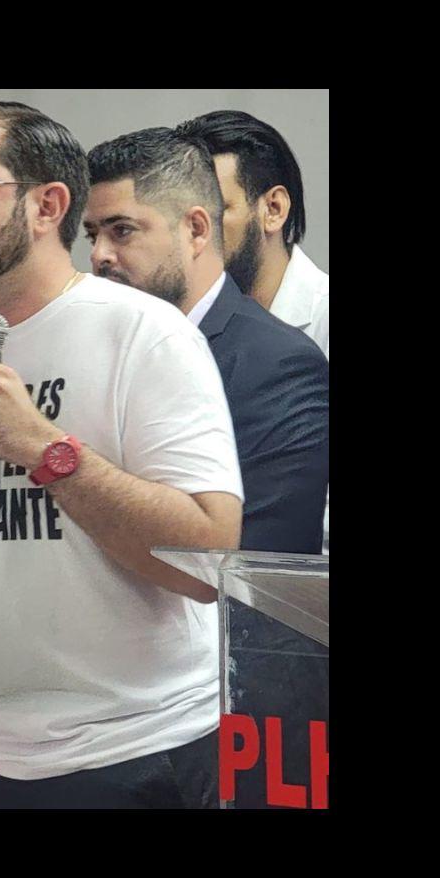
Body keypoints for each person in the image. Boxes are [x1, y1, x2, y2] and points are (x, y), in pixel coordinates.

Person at [0, 93, 245, 808]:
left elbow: (209, 558)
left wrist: (46, 449)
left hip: (129, 752)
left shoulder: (145, 334)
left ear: (46, 206)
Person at [84, 126, 328, 555]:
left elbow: (244, 566)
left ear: (197, 229)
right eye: (92, 234)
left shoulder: (279, 365)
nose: (98, 255)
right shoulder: (93, 348)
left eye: (121, 231)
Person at [176, 109, 330, 554]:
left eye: (213, 212)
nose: (195, 234)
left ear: (273, 209)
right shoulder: (174, 327)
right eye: (184, 216)